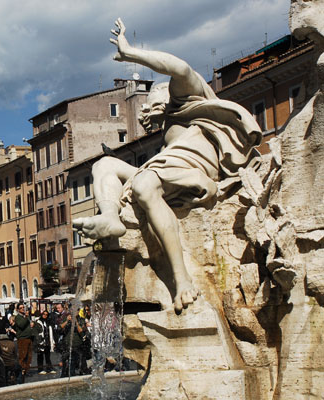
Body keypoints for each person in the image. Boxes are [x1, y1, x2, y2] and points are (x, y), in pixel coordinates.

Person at [73, 18, 262, 312]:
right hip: (165, 173)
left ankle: (182, 279)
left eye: (152, 99)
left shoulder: (189, 102)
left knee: (144, 182)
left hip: (194, 173)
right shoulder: (167, 136)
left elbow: (180, 68)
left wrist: (131, 53)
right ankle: (111, 216)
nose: (146, 107)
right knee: (104, 165)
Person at [14, 303, 33, 378]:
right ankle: (22, 370)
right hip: (22, 338)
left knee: (29, 356)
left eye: (23, 307)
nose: (23, 309)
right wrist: (26, 317)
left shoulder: (26, 317)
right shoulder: (18, 317)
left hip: (29, 338)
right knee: (23, 355)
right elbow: (21, 325)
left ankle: (27, 370)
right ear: (18, 309)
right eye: (21, 308)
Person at [35, 310, 56, 374]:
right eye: (44, 314)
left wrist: (53, 342)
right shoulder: (38, 322)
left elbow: (51, 332)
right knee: (40, 356)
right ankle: (40, 369)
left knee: (47, 355)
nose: (45, 315)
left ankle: (49, 368)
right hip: (41, 341)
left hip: (47, 341)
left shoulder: (48, 322)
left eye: (46, 314)